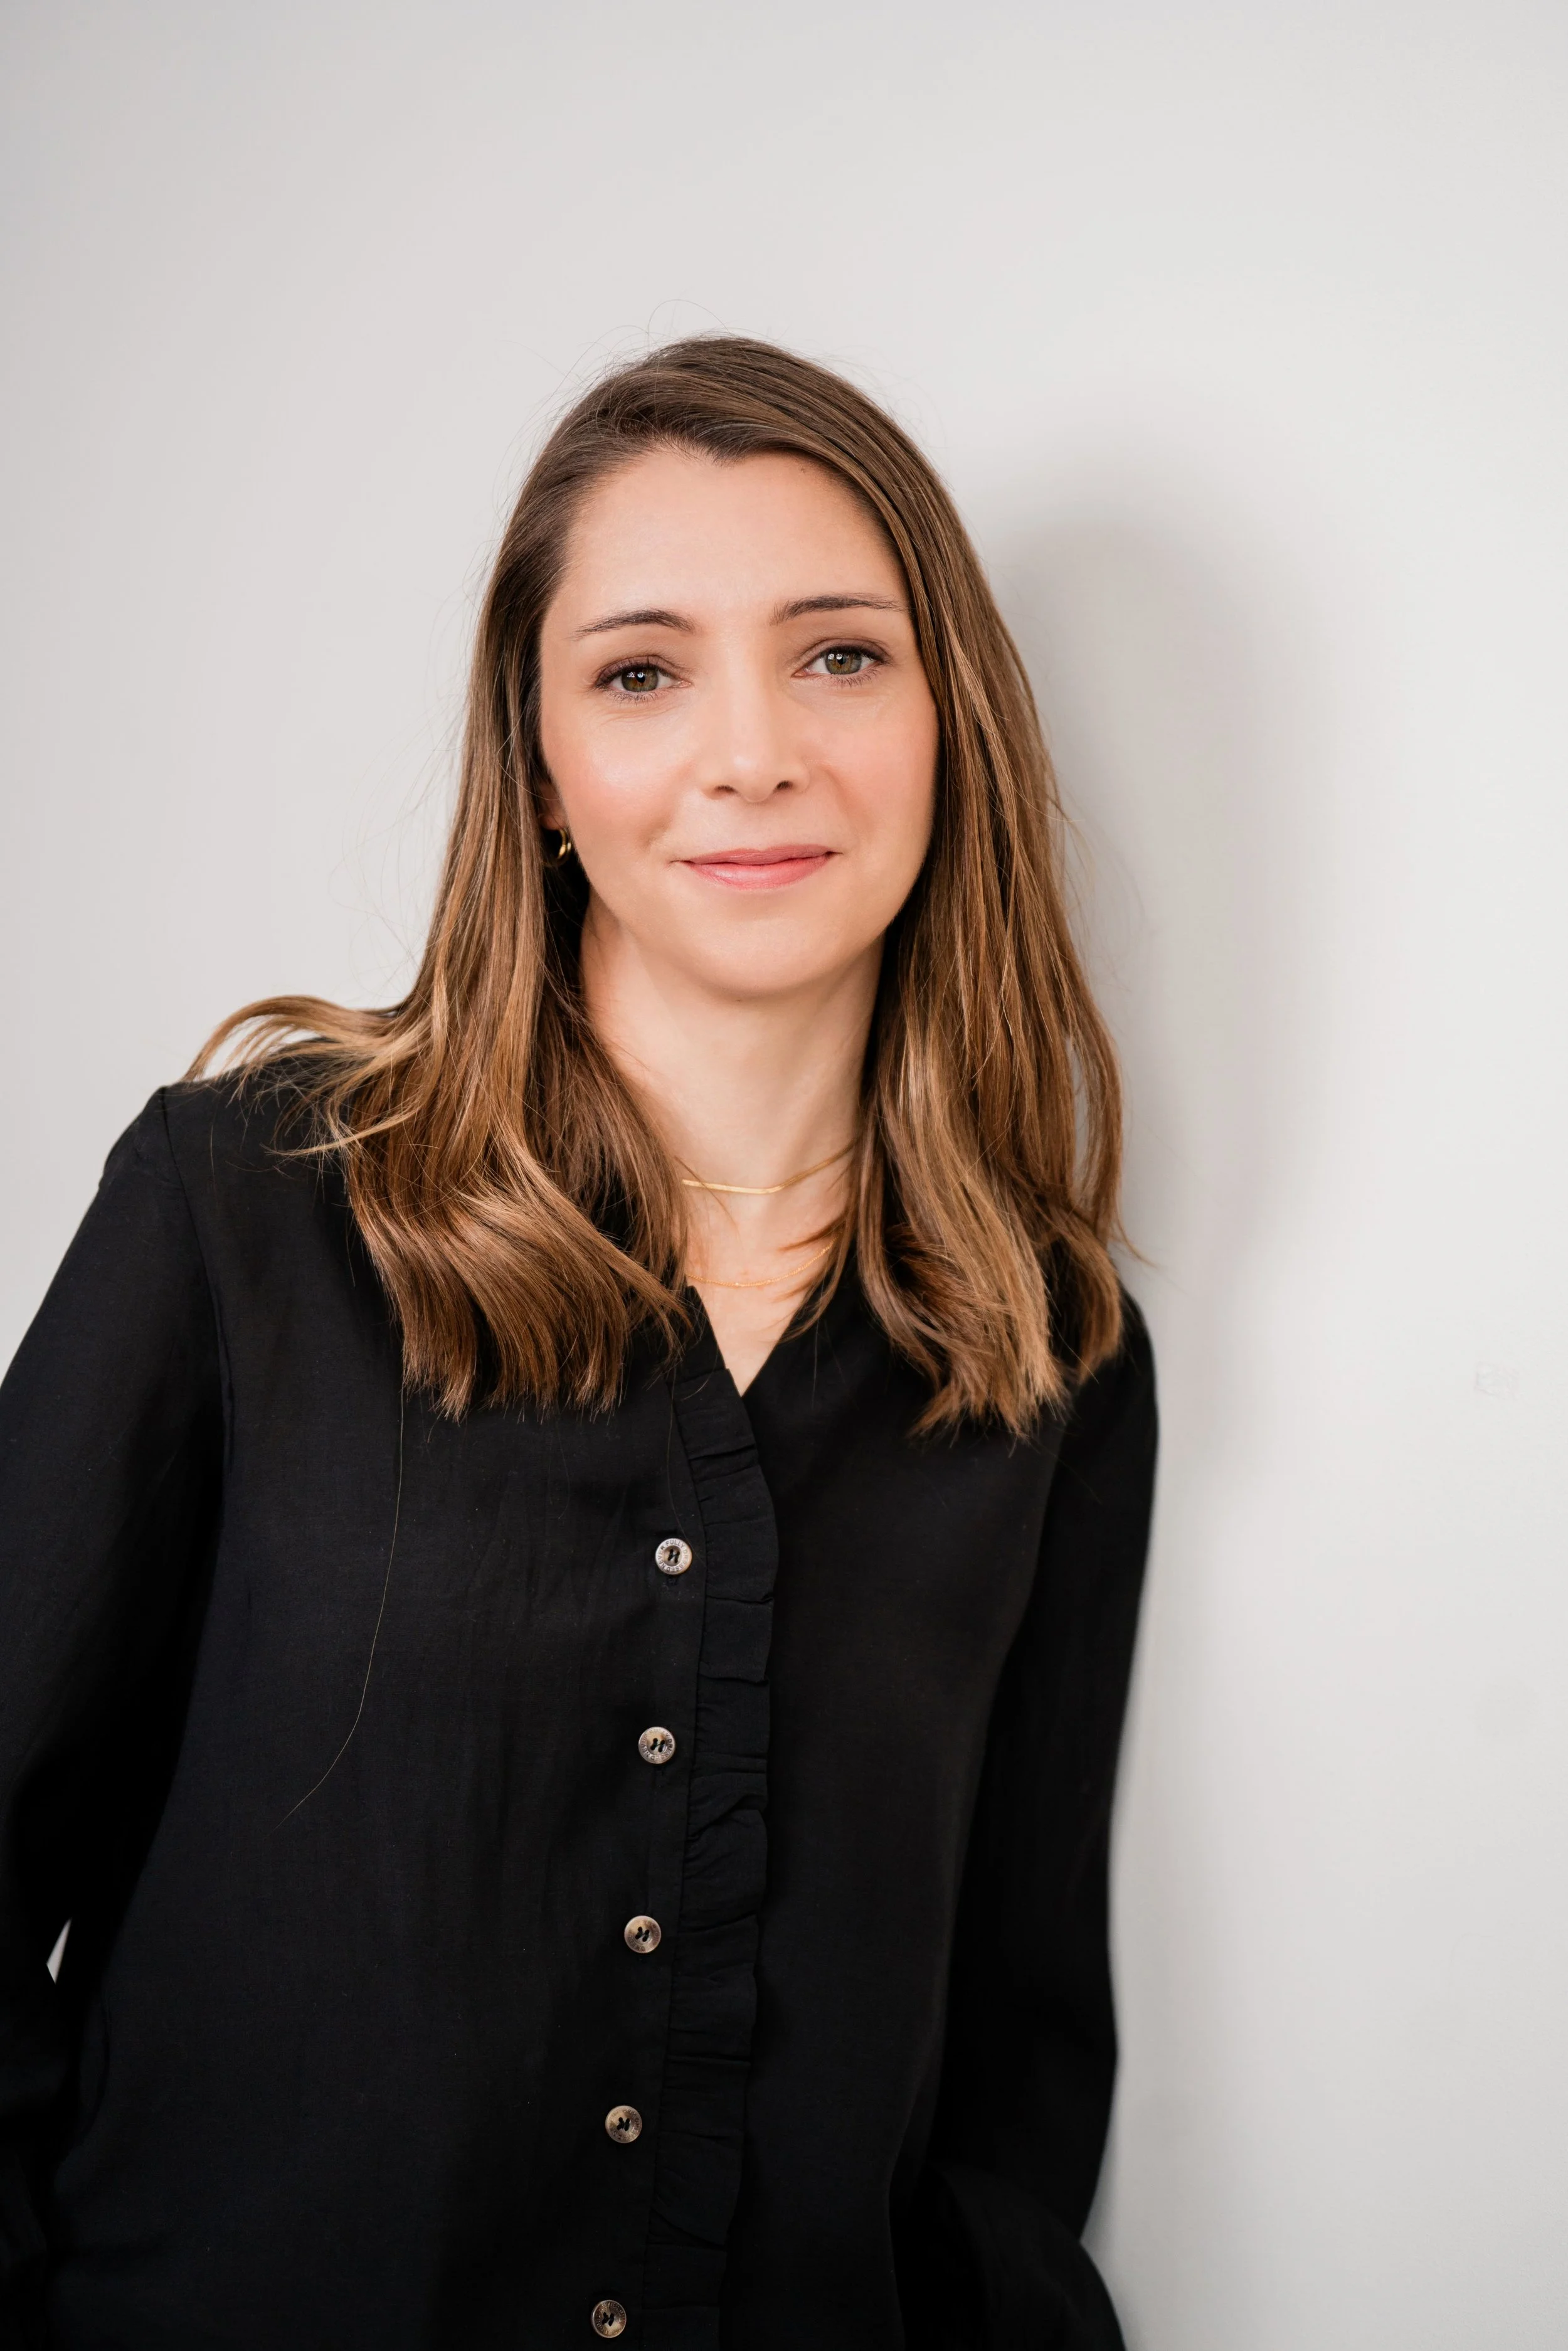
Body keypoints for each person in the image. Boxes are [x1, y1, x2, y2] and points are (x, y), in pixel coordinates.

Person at [0, 337, 1157, 2350]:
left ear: (946, 717)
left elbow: (1013, 2054)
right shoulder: (249, 1208)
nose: (750, 753)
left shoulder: (1043, 1348)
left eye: (838, 655)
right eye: (641, 670)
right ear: (538, 766)